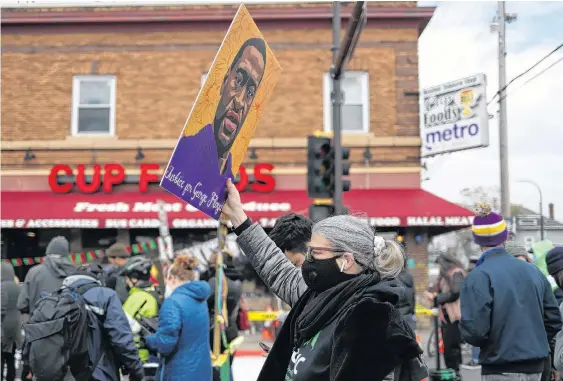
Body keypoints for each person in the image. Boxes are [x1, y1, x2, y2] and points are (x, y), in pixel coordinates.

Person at [222, 178, 427, 381]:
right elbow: (276, 267)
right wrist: (238, 216)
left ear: (346, 260)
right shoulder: (320, 294)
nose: (308, 260)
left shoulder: (371, 319)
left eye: (316, 253)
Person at [161, 38, 267, 219]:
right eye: (238, 80)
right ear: (225, 80)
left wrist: (236, 216)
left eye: (250, 92)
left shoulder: (230, 171)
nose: (240, 101)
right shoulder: (188, 150)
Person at [460, 204, 562, 381]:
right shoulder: (533, 271)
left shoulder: (478, 276)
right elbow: (553, 320)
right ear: (505, 236)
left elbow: (475, 331)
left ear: (477, 240)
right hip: (536, 367)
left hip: (499, 367)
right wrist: (533, 342)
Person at [62, 263, 145, 381]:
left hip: (66, 374)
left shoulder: (58, 297)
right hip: (99, 373)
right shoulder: (105, 295)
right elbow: (121, 339)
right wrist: (136, 370)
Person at [145, 254, 212, 381]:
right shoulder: (200, 299)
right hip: (202, 371)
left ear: (172, 278)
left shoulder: (173, 302)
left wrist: (148, 340)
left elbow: (166, 343)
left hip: (179, 372)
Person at [424, 253, 466, 373]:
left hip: (454, 316)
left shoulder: (456, 273)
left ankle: (455, 372)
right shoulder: (444, 276)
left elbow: (456, 292)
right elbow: (436, 289)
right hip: (446, 316)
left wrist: (437, 298)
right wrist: (429, 292)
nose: (438, 268)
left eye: (438, 265)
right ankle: (453, 371)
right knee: (448, 348)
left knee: (452, 348)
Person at [17, 236, 77, 316]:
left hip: (38, 325)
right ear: (66, 254)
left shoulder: (34, 272)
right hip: (68, 325)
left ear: (48, 252)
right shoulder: (75, 274)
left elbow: (22, 305)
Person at [121, 256, 160, 364]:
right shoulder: (155, 293)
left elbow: (120, 327)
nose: (126, 281)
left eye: (127, 277)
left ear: (134, 278)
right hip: (154, 356)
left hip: (138, 357)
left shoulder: (137, 297)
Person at [1, 263, 22, 381]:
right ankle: (11, 377)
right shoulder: (18, 287)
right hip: (15, 328)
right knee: (11, 357)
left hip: (3, 327)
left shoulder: (1, 286)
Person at [396, 257, 416, 332]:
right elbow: (413, 298)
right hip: (410, 317)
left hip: (398, 319)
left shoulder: (394, 278)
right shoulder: (409, 276)